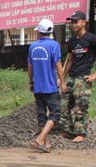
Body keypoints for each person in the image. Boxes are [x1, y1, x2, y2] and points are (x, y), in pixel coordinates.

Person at [28, 19, 66, 153]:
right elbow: (58, 64)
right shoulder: (54, 45)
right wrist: (63, 81)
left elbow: (30, 66)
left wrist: (31, 82)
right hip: (50, 87)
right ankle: (40, 139)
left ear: (39, 31)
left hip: (38, 87)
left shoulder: (33, 46)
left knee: (42, 115)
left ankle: (46, 143)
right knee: (55, 113)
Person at [61, 10, 96, 143]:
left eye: (76, 22)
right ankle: (70, 131)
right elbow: (69, 61)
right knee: (63, 106)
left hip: (83, 79)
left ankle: (81, 133)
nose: (73, 24)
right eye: (72, 22)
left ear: (84, 22)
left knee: (80, 108)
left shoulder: (92, 39)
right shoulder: (72, 41)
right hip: (71, 78)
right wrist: (62, 78)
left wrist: (94, 75)